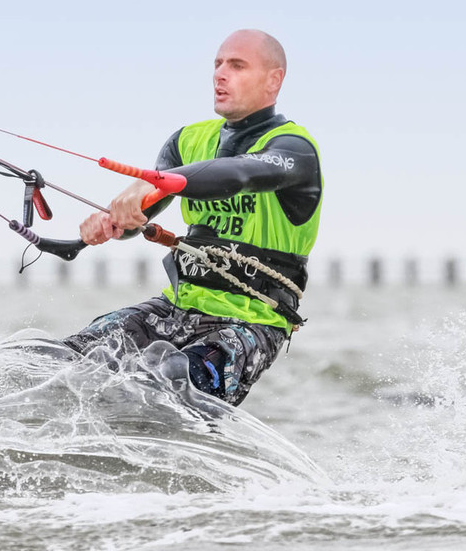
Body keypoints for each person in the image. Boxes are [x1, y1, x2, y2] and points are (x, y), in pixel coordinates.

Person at [63, 29, 323, 406]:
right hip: (176, 308)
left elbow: (238, 173)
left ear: (274, 79)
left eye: (237, 65)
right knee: (63, 359)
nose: (220, 74)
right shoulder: (186, 140)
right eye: (218, 64)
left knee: (167, 380)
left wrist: (160, 181)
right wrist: (116, 216)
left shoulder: (294, 148)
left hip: (250, 322)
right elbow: (142, 208)